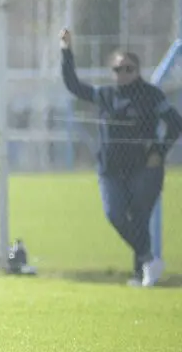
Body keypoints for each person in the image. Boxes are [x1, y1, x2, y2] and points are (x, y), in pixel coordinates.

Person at [60, 28, 182, 287]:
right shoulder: (105, 95)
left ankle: (141, 275)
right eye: (117, 69)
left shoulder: (151, 95)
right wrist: (66, 51)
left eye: (128, 68)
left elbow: (174, 124)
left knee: (139, 218)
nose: (122, 74)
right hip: (110, 168)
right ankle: (149, 261)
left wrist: (158, 152)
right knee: (114, 214)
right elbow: (73, 85)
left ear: (137, 70)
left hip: (144, 168)